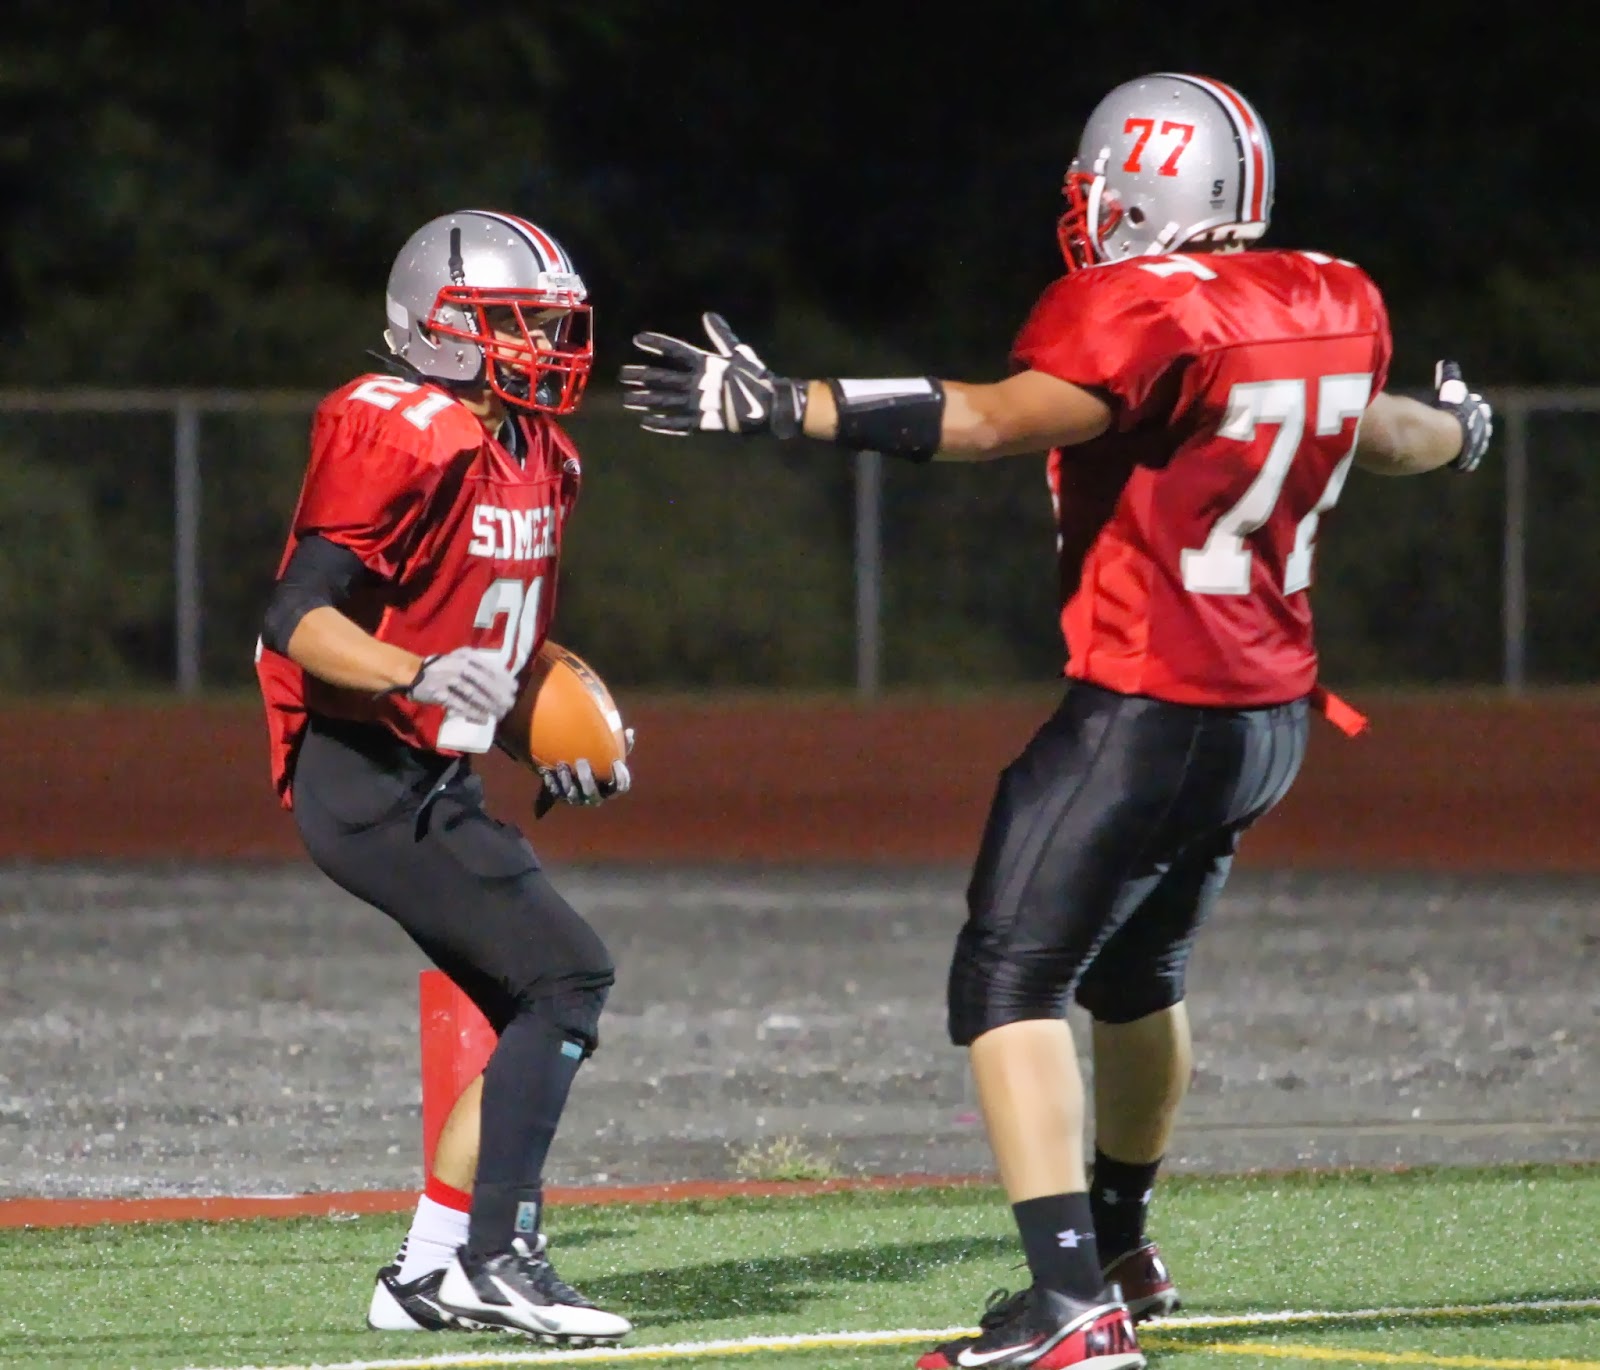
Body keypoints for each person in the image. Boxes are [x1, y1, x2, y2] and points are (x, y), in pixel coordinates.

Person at [620, 72, 1492, 1370]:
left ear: (1141, 191)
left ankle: (1071, 1305)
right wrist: (1469, 431)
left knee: (1009, 980)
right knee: (1139, 977)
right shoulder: (1323, 297)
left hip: (1152, 707)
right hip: (1269, 717)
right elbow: (1395, 430)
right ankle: (1125, 1248)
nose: (1083, 217)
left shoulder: (1138, 312)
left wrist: (789, 401)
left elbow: (986, 416)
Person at [255, 208, 634, 1344]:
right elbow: (296, 620)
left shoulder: (542, 454)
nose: (543, 345)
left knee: (537, 996)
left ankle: (427, 1273)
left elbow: (496, 646)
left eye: (549, 323)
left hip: (434, 765)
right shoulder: (402, 425)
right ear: (439, 329)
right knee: (566, 977)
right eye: (515, 323)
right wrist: (423, 672)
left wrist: (537, 730)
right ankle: (495, 1257)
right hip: (361, 763)